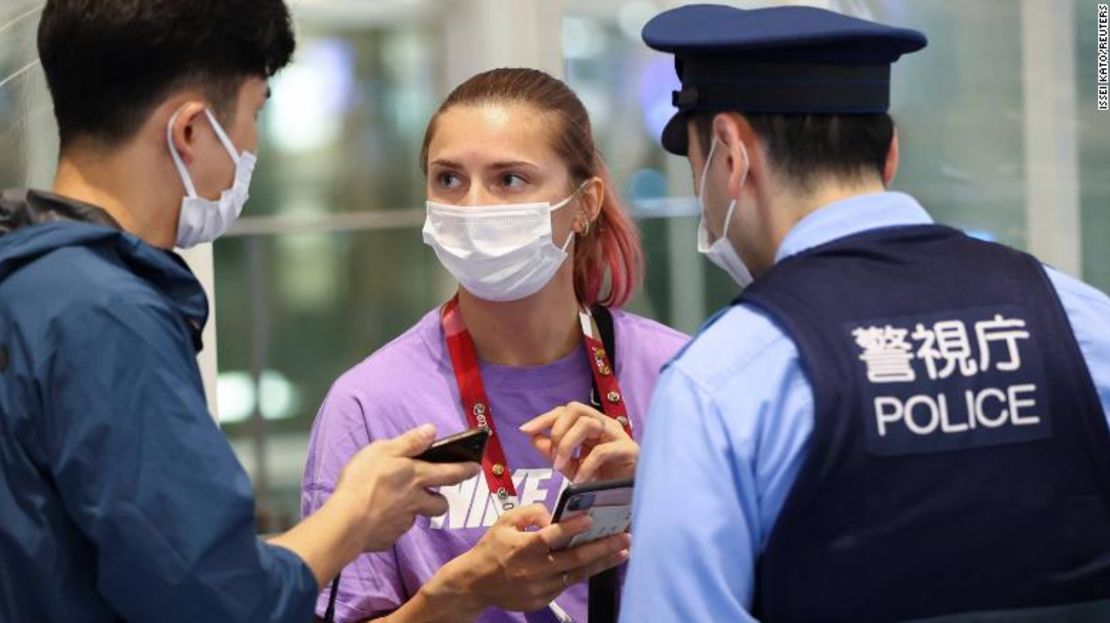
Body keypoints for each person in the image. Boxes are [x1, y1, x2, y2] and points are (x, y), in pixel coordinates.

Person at [622, 4, 1110, 622]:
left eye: (697, 171)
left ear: (730, 152)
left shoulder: (722, 382)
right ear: (890, 154)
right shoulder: (1078, 319)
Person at [0, 2, 478, 621]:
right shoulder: (106, 316)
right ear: (191, 131)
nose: (250, 145)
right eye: (254, 113)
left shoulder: (29, 279)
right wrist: (356, 514)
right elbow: (214, 598)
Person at [301, 67, 688, 623]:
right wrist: (459, 595)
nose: (474, 207)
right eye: (449, 180)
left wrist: (661, 494)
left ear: (585, 204)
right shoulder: (368, 406)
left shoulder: (678, 377)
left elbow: (764, 584)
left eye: (510, 180)